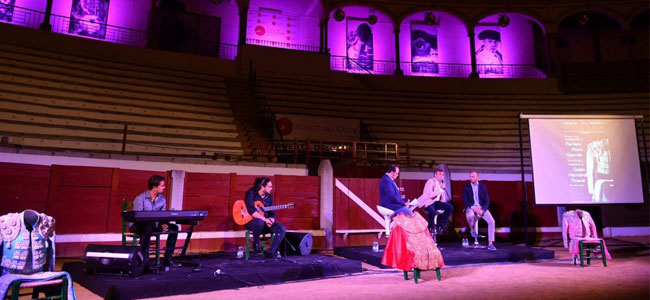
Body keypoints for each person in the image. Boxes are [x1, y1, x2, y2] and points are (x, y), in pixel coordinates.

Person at [130, 175, 179, 267]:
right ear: (154, 187)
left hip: (154, 224)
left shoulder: (162, 199)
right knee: (147, 227)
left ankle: (167, 259)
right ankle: (144, 260)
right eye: (162, 186)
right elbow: (137, 217)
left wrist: (163, 224)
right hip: (139, 225)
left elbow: (162, 215)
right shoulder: (140, 198)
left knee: (174, 228)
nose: (164, 188)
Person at [244, 177, 286, 259]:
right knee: (259, 222)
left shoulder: (269, 197)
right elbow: (251, 211)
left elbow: (272, 213)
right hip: (252, 223)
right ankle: (256, 242)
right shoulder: (251, 193)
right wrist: (265, 219)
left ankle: (270, 252)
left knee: (281, 228)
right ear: (262, 187)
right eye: (269, 186)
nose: (271, 188)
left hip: (265, 223)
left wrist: (271, 220)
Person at [462, 170, 497, 250]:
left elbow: (487, 201)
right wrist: (474, 208)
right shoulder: (466, 187)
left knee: (492, 221)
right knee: (470, 215)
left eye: (473, 176)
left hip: (481, 208)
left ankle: (490, 243)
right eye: (470, 176)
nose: (471, 178)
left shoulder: (483, 187)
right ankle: (472, 230)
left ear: (477, 177)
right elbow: (465, 201)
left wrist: (483, 210)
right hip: (471, 207)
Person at [417, 168, 453, 235]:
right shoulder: (431, 181)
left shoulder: (441, 183)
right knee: (432, 211)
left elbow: (443, 197)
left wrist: (443, 202)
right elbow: (430, 195)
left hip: (436, 203)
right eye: (440, 174)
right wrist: (440, 189)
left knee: (450, 207)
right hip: (428, 202)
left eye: (442, 174)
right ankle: (431, 228)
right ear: (435, 175)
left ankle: (441, 226)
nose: (441, 176)